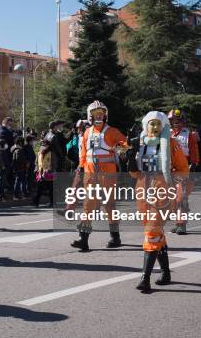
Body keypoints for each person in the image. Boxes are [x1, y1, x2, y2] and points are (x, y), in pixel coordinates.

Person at [127, 111, 189, 293]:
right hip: (142, 190)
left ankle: (144, 278)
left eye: (157, 124)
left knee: (152, 232)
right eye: (151, 124)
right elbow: (136, 173)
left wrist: (171, 185)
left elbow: (183, 170)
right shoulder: (140, 144)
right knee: (155, 232)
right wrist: (130, 159)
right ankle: (166, 272)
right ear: (145, 126)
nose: (154, 128)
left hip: (162, 191)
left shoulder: (171, 144)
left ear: (163, 127)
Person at [72, 101, 128, 252]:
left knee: (109, 205)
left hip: (107, 173)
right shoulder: (86, 133)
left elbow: (124, 144)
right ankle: (83, 239)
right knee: (88, 205)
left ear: (105, 115)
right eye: (95, 113)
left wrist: (122, 149)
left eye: (101, 113)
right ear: (90, 116)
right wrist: (80, 167)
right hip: (90, 174)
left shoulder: (112, 131)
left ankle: (115, 237)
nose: (98, 116)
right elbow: (83, 154)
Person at [167, 109, 199, 235]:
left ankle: (182, 224)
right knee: (172, 198)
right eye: (173, 120)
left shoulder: (188, 134)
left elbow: (193, 149)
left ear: (182, 121)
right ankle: (177, 222)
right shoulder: (166, 134)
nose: (175, 122)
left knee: (181, 196)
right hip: (169, 169)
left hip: (183, 168)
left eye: (178, 120)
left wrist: (194, 163)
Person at [33, 137, 56, 207]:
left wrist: (49, 170)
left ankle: (52, 202)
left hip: (49, 173)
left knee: (50, 189)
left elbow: (54, 164)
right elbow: (36, 162)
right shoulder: (39, 153)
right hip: (40, 173)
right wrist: (36, 169)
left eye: (44, 145)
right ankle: (36, 203)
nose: (43, 146)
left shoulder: (51, 153)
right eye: (42, 145)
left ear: (48, 145)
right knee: (38, 189)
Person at [0, 117, 15, 199]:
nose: (10, 126)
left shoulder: (0, 130)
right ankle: (3, 192)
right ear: (6, 123)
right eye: (10, 124)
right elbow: (8, 143)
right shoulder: (4, 132)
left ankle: (4, 191)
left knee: (4, 175)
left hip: (5, 154)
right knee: (4, 175)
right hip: (6, 155)